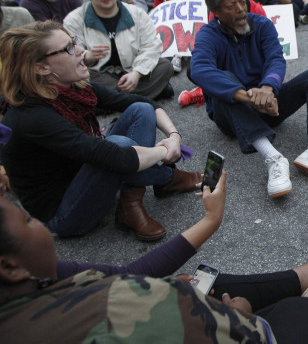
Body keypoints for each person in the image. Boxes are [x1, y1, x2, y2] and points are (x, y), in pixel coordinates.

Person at [0, 179, 308, 343]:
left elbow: (126, 274)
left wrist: (209, 222)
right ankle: (299, 290)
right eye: (28, 220)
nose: (39, 224)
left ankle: (298, 278)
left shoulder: (29, 289)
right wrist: (237, 321)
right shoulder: (136, 304)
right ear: (9, 266)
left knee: (192, 283)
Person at [0, 21, 200, 240]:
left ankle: (130, 204)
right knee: (118, 146)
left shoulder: (71, 87)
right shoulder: (30, 114)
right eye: (68, 48)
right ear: (42, 68)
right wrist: (165, 153)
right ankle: (168, 179)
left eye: (74, 42)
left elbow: (141, 101)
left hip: (82, 173)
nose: (80, 50)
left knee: (139, 110)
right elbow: (109, 155)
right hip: (62, 215)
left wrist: (173, 137)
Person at [190, 0, 308, 198]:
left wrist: (268, 88)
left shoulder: (261, 24)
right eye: (230, 6)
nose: (240, 10)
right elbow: (199, 70)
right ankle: (273, 158)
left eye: (242, 2)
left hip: (268, 103)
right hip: (232, 117)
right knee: (222, 82)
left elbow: (276, 58)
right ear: (215, 11)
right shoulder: (207, 34)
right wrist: (248, 97)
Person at [64, 0, 174, 99]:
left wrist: (137, 73)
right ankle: (147, 94)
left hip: (132, 69)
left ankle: (111, 100)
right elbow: (70, 54)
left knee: (165, 66)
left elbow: (151, 45)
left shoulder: (137, 13)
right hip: (100, 75)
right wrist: (87, 57)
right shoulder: (73, 19)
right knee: (81, 79)